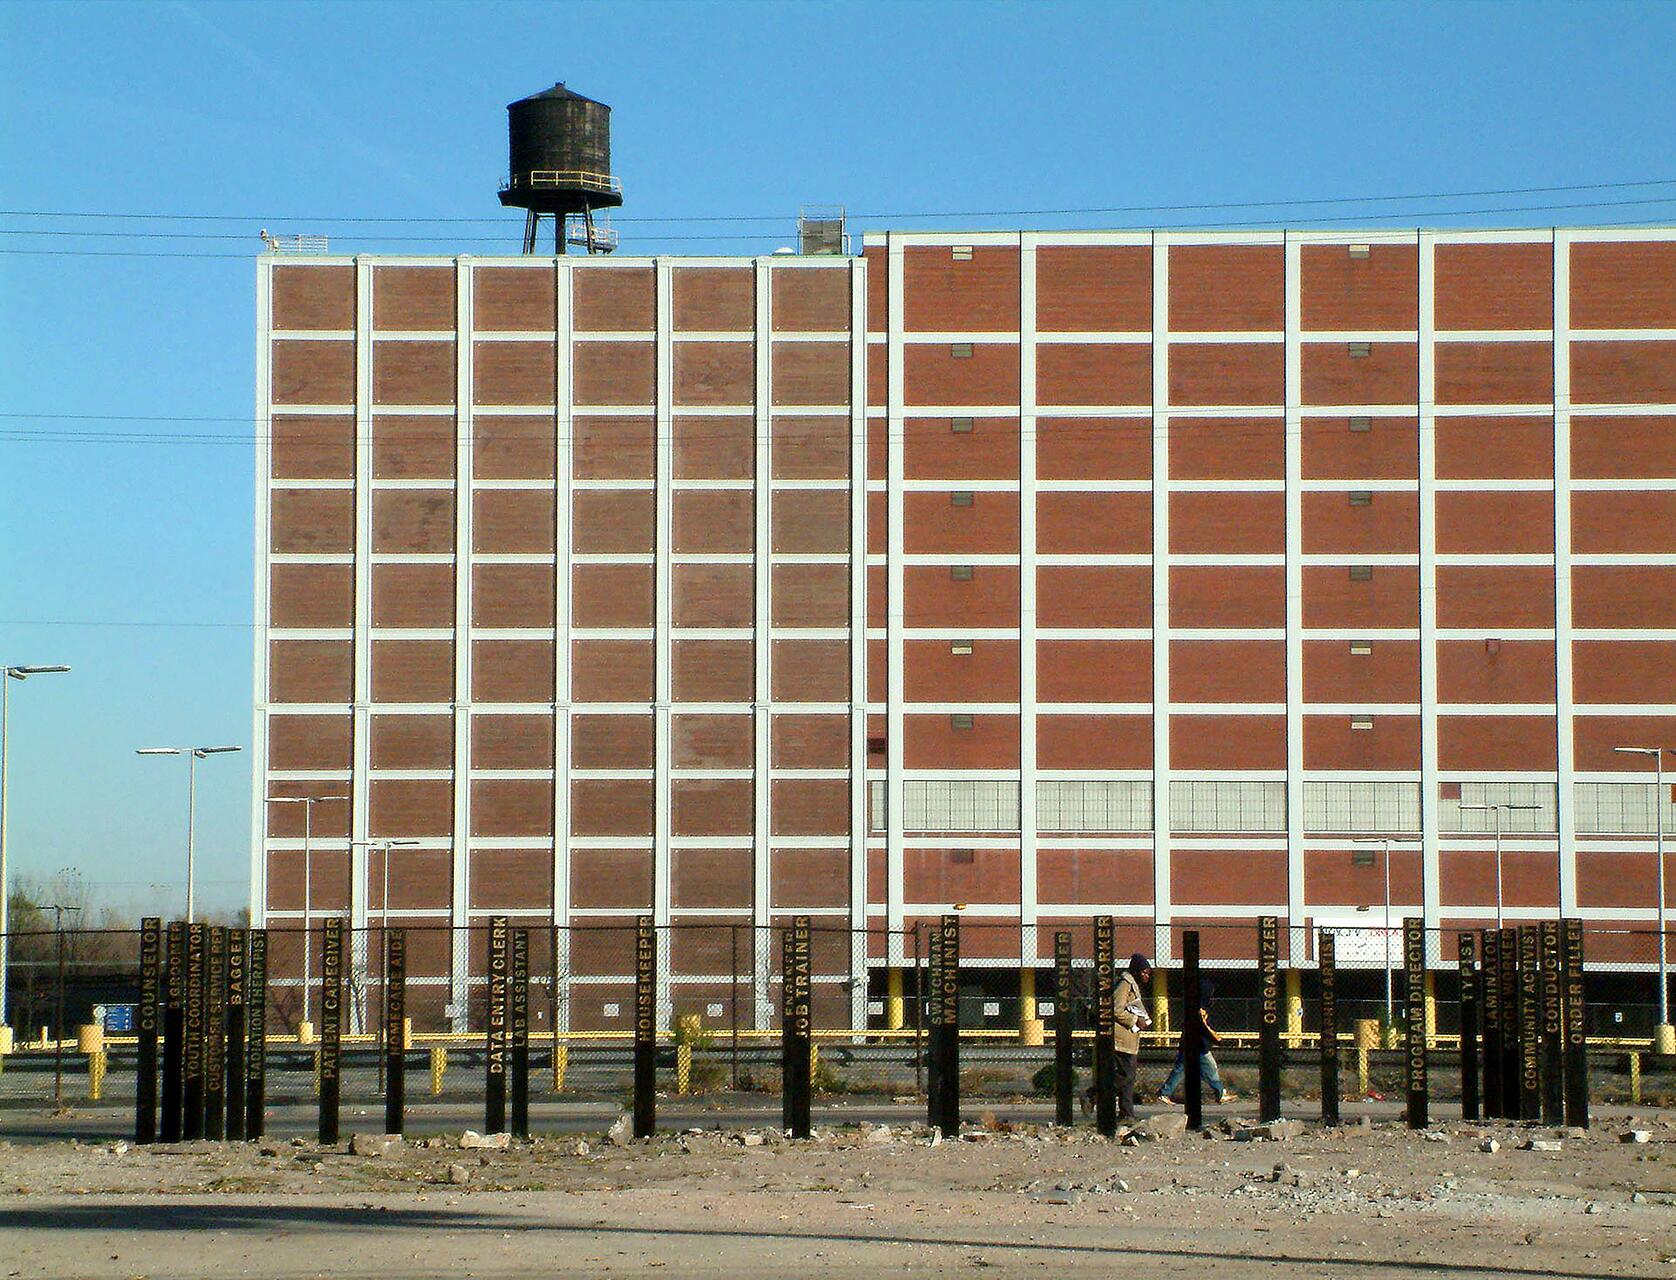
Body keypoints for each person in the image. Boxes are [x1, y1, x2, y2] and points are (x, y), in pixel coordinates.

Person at [1155, 977, 1238, 1105]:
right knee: (1209, 1068)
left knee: (1182, 1069)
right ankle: (1220, 1093)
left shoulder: (1195, 1006)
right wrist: (1215, 1038)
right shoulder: (1198, 1008)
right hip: (1197, 1045)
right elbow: (1203, 1027)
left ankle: (1164, 1093)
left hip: (1193, 1043)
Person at [1111, 953, 1152, 1121]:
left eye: (1148, 973)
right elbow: (1116, 1009)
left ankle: (1126, 1113)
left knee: (1128, 1077)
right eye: (1144, 972)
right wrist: (1135, 1020)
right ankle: (1094, 1094)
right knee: (1126, 1076)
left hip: (1130, 1039)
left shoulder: (1132, 986)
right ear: (1136, 971)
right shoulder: (1124, 985)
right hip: (1122, 1039)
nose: (1146, 976)